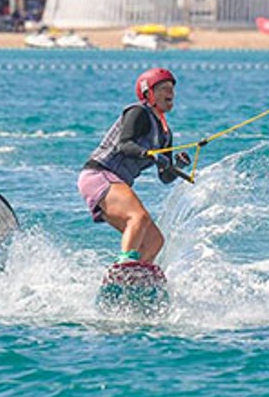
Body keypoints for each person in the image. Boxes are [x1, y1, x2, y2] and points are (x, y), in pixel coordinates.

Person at [78, 68, 191, 264]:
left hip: (116, 182)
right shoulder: (138, 112)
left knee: (154, 241)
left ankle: (137, 277)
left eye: (172, 88)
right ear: (149, 94)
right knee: (138, 217)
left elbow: (164, 177)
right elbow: (125, 144)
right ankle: (125, 265)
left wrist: (177, 165)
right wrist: (148, 154)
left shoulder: (165, 134)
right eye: (164, 88)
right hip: (100, 175)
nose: (170, 93)